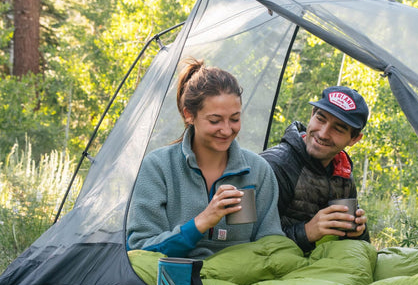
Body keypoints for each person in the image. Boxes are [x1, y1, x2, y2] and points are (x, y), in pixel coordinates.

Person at [126, 58, 284, 258]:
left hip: (242, 282)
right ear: (188, 115)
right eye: (215, 120)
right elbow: (140, 249)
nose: (227, 130)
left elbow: (271, 244)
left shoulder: (258, 170)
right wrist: (201, 222)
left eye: (235, 119)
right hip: (176, 280)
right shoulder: (158, 167)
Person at [261, 85, 370, 253]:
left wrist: (358, 234)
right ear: (312, 114)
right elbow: (246, 241)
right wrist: (307, 232)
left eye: (338, 129)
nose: (323, 133)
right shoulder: (275, 165)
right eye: (321, 119)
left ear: (354, 139)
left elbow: (359, 249)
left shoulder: (343, 174)